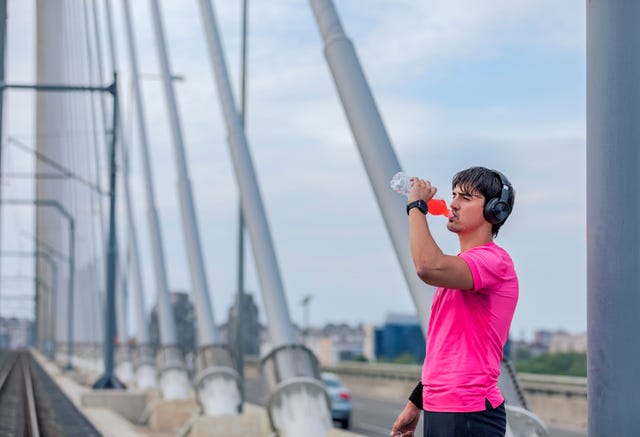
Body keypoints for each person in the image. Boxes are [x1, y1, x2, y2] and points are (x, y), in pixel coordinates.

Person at [390, 166, 518, 437]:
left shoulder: (495, 262)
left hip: (470, 411)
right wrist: (416, 404)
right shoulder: (459, 271)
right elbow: (447, 349)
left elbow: (427, 266)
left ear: (495, 211)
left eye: (467, 197)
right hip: (443, 407)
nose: (453, 204)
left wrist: (415, 206)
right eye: (454, 195)